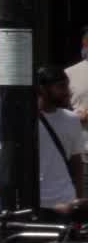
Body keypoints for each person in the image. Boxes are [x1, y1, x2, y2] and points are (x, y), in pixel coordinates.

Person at [36, 65, 87, 216]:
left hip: (66, 203)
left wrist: (78, 199)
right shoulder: (25, 121)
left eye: (67, 85)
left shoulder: (72, 120)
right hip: (36, 203)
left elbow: (76, 162)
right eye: (61, 87)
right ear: (42, 89)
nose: (68, 92)